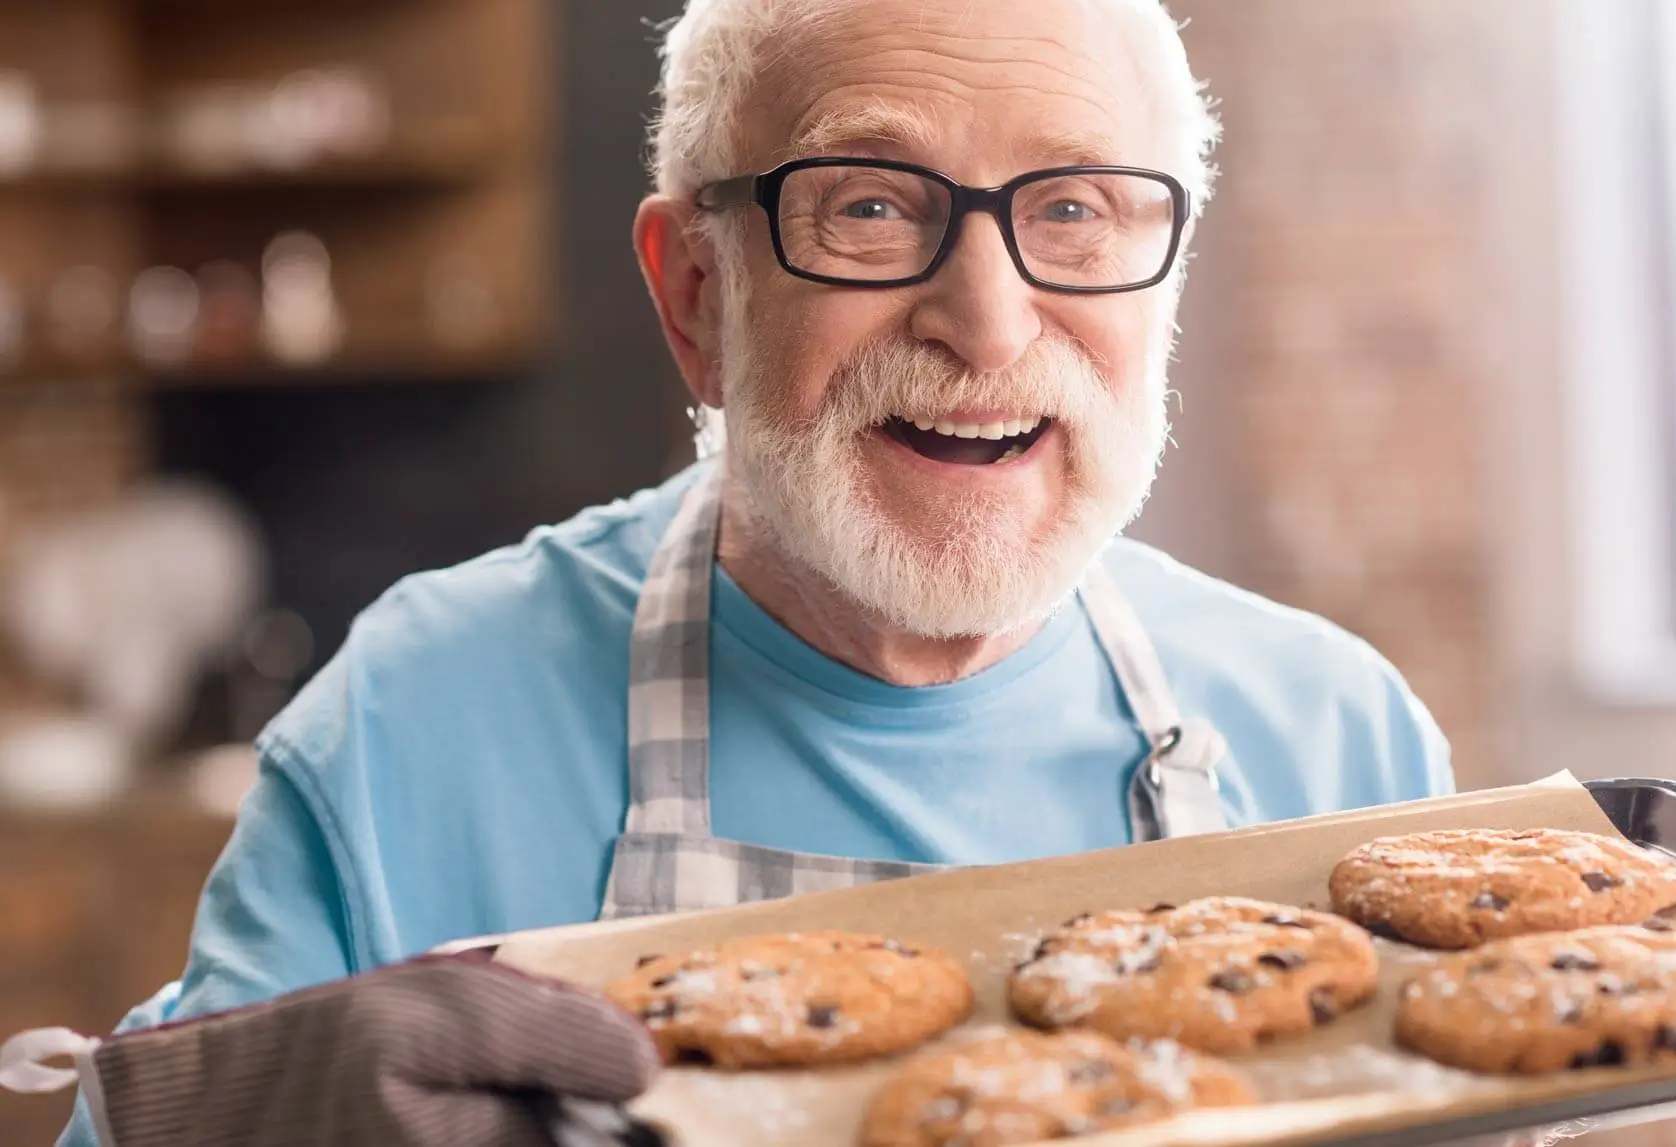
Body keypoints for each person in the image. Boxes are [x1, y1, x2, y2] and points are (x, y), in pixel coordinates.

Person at [45, 0, 1454, 1141]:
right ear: (696, 295)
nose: (987, 318)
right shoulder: (414, 720)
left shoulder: (1341, 737)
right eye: (871, 207)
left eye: (1078, 210)